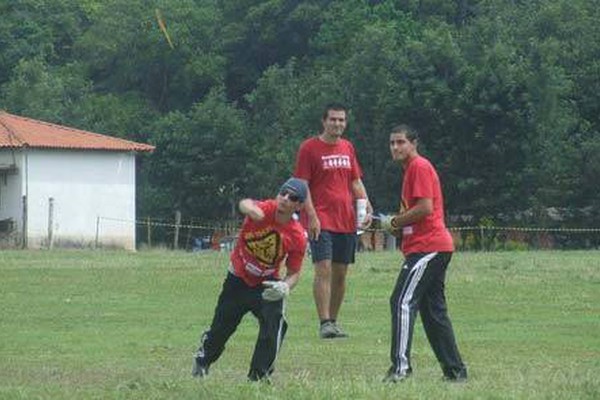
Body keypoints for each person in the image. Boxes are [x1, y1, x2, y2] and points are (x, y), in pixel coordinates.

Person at [192, 178, 308, 382]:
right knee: (221, 328)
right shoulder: (266, 209)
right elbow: (245, 203)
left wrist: (284, 286)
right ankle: (203, 359)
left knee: (276, 323)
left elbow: (295, 272)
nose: (285, 199)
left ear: (299, 205)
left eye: (293, 197)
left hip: (267, 283)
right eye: (283, 193)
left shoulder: (297, 235)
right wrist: (250, 210)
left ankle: (259, 376)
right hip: (238, 277)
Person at [380, 124, 467, 382]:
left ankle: (400, 370)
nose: (395, 147)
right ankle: (455, 372)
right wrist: (391, 225)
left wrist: (395, 222)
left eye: (400, 142)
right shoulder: (410, 172)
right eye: (392, 143)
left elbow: (425, 208)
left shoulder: (419, 166)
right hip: (429, 247)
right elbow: (412, 217)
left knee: (402, 301)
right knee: (433, 313)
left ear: (413, 143)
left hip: (429, 247)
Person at [294, 103, 372, 339]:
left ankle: (334, 322)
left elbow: (355, 181)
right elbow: (302, 185)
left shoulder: (348, 147)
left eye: (341, 120)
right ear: (324, 121)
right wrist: (312, 216)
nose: (337, 124)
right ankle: (324, 322)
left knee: (340, 273)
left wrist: (366, 203)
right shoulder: (309, 148)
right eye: (333, 119)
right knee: (324, 268)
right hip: (321, 219)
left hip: (346, 220)